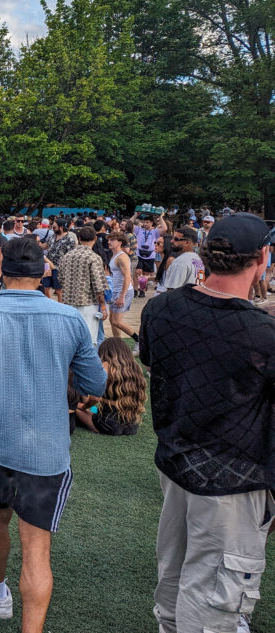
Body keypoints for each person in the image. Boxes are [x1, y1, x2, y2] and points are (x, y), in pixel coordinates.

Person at [0, 237, 107, 632]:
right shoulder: (69, 320)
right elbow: (94, 383)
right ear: (44, 269)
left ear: (1, 271)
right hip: (48, 451)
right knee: (37, 547)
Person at [141, 213, 275, 633]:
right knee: (215, 599)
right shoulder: (261, 334)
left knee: (176, 574)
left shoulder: (161, 308)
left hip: (177, 463)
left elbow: (158, 357)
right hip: (233, 480)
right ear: (262, 258)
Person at [73, 338, 146, 435]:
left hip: (106, 422)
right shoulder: (135, 369)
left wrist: (83, 406)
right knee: (91, 410)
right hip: (131, 423)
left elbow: (95, 398)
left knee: (72, 408)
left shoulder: (106, 368)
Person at [59, 226, 108, 346]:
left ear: (79, 238)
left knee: (70, 339)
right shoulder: (94, 258)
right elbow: (98, 286)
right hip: (88, 304)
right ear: (95, 239)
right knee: (88, 341)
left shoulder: (67, 256)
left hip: (68, 303)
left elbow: (60, 278)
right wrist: (103, 306)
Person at [106, 232, 138, 345]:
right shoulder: (114, 255)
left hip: (122, 292)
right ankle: (117, 344)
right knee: (112, 320)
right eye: (109, 239)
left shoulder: (122, 257)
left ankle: (139, 341)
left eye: (112, 240)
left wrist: (122, 296)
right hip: (115, 291)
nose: (109, 242)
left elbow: (128, 277)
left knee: (117, 321)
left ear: (120, 242)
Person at [162, 226, 204, 291]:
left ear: (187, 243)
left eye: (176, 239)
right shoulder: (198, 259)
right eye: (172, 238)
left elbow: (172, 291)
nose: (171, 241)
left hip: (183, 299)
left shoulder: (180, 262)